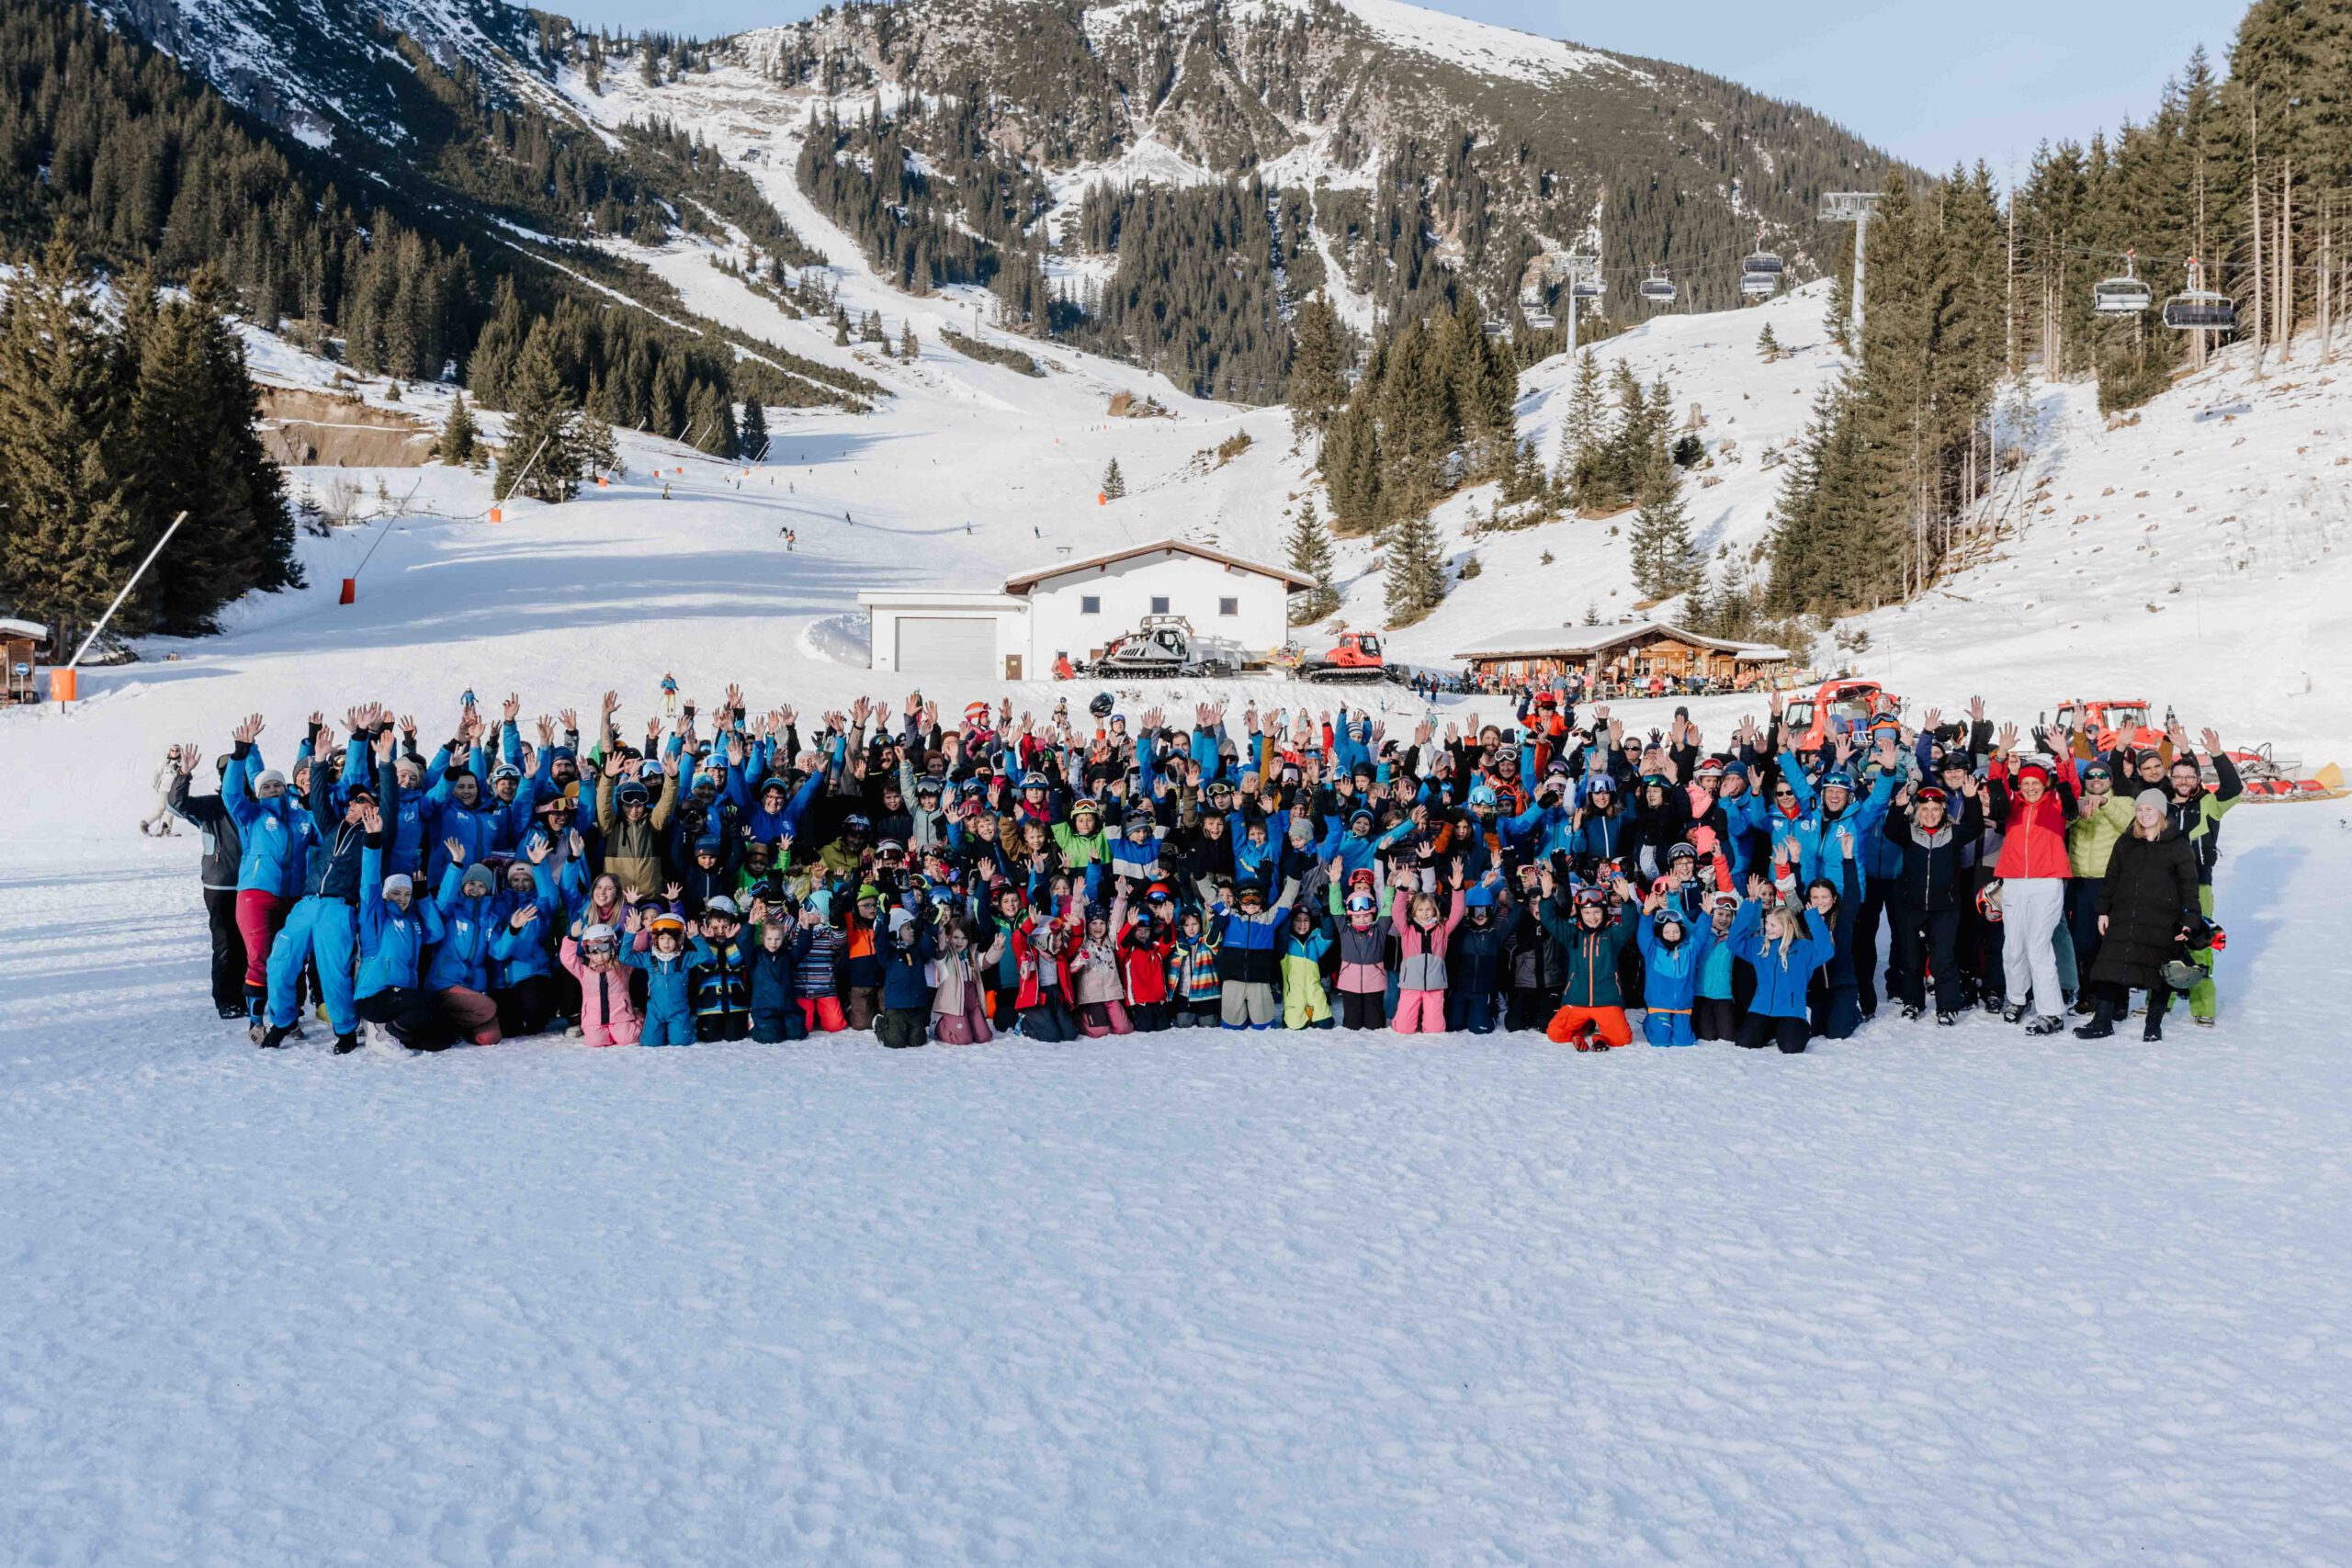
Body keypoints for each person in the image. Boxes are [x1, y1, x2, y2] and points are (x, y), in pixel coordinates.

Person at [2075, 790, 2202, 1041]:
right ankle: (2101, 1021)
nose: (2144, 814)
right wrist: (2103, 910)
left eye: (2149, 809)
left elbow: (2189, 885)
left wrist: (2189, 920)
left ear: (2161, 812)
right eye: (2140, 809)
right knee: (2109, 967)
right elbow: (2111, 878)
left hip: (2162, 919)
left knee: (2159, 972)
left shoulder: (2178, 845)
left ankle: (2153, 1025)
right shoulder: (2126, 842)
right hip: (2124, 915)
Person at [1984, 729, 2079, 1034]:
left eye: (2035, 783)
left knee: (2038, 946)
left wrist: (2064, 755)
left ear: (2045, 784)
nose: (2029, 788)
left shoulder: (2056, 805)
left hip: (2047, 881)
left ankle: (2051, 1012)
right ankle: (2016, 998)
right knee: (2013, 946)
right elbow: (1996, 783)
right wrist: (2001, 753)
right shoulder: (2014, 806)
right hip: (2014, 880)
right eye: (2025, 783)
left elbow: (2073, 788)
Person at [166, 742, 250, 1019]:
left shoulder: (256, 806)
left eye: (238, 773)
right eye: (227, 774)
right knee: (226, 943)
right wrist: (184, 775)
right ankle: (227, 1000)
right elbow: (177, 805)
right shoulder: (211, 807)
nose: (234, 778)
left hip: (253, 884)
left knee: (252, 943)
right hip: (221, 884)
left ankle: (250, 994)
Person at [1728, 881, 1835, 1054]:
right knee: (1744, 1042)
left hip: (1791, 1010)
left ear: (1787, 927)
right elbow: (1733, 942)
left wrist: (1813, 918)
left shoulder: (1804, 948)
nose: (1768, 929)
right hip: (1762, 1008)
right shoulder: (1759, 946)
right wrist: (1750, 904)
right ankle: (1771, 1030)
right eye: (1768, 924)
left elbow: (1826, 951)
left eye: (1773, 925)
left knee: (1791, 1047)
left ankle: (1800, 1028)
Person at [1538, 874, 1640, 1051]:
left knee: (1622, 1039)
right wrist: (1546, 896)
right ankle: (1580, 1032)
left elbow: (1630, 925)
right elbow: (1550, 921)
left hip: (1606, 1000)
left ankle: (1599, 1036)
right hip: (1577, 999)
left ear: (1603, 912)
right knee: (1555, 1033)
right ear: (1580, 914)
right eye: (1586, 913)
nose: (1592, 917)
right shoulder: (1573, 934)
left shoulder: (1612, 935)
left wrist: (1626, 899)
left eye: (1596, 912)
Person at [624, 910, 709, 1046]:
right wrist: (630, 933)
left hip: (679, 1011)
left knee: (679, 1042)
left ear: (679, 940)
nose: (666, 943)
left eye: (671, 939)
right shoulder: (649, 959)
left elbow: (706, 956)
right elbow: (625, 957)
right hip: (655, 1011)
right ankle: (661, 1031)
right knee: (650, 1043)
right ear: (656, 940)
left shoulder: (685, 958)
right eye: (662, 938)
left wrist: (695, 938)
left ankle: (682, 1028)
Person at [563, 922, 643, 1046]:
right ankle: (599, 1031)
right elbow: (567, 958)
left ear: (612, 947)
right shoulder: (584, 969)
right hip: (594, 1018)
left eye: (604, 950)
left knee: (628, 1038)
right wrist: (572, 938)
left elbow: (638, 948)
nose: (600, 956)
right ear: (587, 951)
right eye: (594, 951)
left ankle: (638, 1018)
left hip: (620, 1015)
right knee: (595, 1042)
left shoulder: (622, 965)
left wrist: (639, 932)